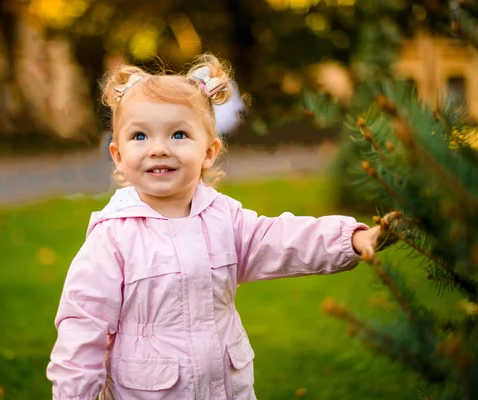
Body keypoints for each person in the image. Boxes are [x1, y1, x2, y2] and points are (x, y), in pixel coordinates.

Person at [46, 54, 398, 400]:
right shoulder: (113, 237)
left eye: (179, 134)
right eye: (139, 137)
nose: (158, 149)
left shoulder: (224, 219)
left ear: (210, 152)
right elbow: (83, 326)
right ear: (118, 155)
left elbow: (283, 240)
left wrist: (350, 239)